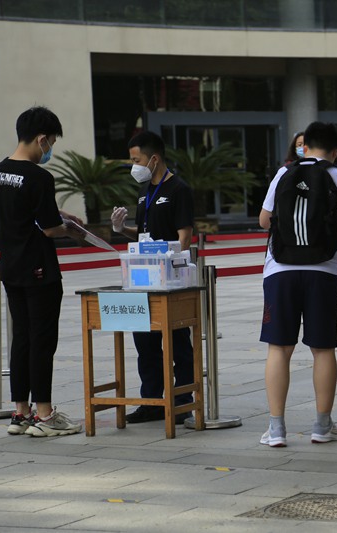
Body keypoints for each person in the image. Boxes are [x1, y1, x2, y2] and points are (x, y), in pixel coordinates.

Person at [257, 121, 337, 447]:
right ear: (335, 151)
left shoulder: (283, 173)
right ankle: (322, 426)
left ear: (305, 146)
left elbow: (264, 220)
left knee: (279, 348)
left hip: (280, 271)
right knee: (322, 348)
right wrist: (331, 258)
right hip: (323, 273)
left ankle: (276, 429)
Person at [0, 106, 85, 437]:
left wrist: (57, 214)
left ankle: (21, 412)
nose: (49, 150)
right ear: (42, 139)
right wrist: (72, 229)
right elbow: (49, 228)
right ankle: (44, 414)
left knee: (22, 339)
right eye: (51, 143)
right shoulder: (40, 176)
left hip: (12, 267)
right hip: (39, 270)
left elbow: (25, 211)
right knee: (43, 340)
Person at [110, 131, 195, 425]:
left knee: (178, 340)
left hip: (170, 280)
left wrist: (168, 262)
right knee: (145, 342)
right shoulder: (145, 191)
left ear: (154, 158)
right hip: (143, 277)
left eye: (137, 160)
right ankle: (152, 399)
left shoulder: (178, 189)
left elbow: (184, 238)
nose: (134, 165)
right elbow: (144, 234)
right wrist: (122, 230)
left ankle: (183, 398)